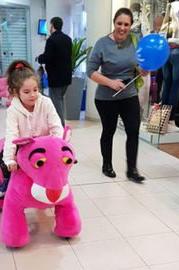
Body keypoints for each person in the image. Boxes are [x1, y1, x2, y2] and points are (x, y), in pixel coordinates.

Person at [86, 8, 148, 182]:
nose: (122, 28)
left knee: (133, 131)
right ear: (114, 23)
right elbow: (90, 71)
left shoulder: (135, 42)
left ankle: (132, 170)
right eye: (119, 23)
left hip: (129, 94)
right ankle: (107, 165)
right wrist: (111, 82)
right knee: (109, 131)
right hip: (106, 97)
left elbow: (139, 65)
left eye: (126, 24)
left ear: (130, 25)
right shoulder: (102, 43)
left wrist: (142, 70)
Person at [0, 60, 63, 197]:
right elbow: (11, 134)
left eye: (35, 90)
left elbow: (56, 127)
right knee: (2, 155)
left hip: (45, 146)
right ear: (16, 92)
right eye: (26, 92)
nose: (33, 95)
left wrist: (59, 147)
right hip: (24, 147)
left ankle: (53, 184)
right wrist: (10, 159)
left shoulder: (46, 103)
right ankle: (7, 180)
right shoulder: (13, 110)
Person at [38, 17, 72, 127]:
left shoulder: (51, 39)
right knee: (60, 101)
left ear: (52, 26)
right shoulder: (68, 39)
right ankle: (59, 126)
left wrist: (39, 58)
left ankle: (60, 129)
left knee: (56, 103)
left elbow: (48, 57)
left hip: (56, 77)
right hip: (66, 77)